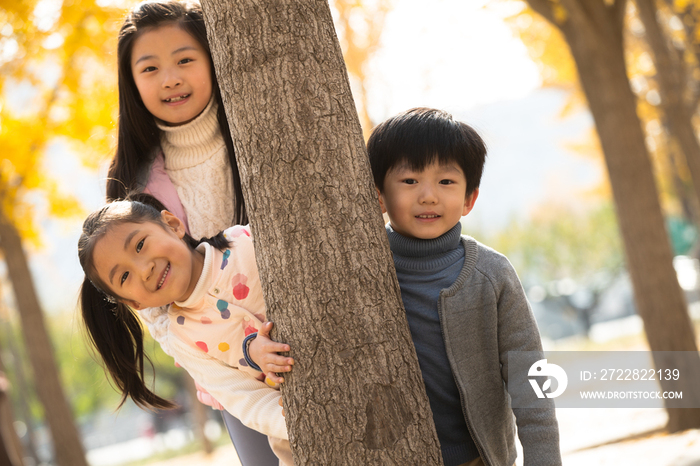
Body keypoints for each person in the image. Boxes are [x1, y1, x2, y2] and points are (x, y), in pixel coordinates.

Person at [104, 1, 278, 463]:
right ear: (132, 81)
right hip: (229, 364)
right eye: (150, 68)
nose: (170, 78)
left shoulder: (262, 131)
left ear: (212, 56)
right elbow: (156, 312)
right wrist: (239, 353)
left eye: (185, 59)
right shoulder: (133, 184)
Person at [366, 108, 562, 466]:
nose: (428, 196)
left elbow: (530, 377)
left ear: (469, 198)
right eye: (409, 181)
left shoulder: (491, 274)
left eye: (446, 182)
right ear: (379, 196)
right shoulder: (361, 273)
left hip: (479, 459)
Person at [78, 197, 294, 465]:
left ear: (172, 224)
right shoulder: (183, 338)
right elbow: (241, 397)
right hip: (291, 430)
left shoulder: (244, 242)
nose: (144, 270)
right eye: (124, 277)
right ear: (135, 304)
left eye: (140, 245)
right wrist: (296, 421)